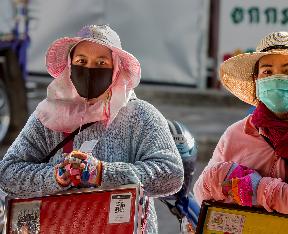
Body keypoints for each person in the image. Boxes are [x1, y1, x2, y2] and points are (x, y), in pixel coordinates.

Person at [0, 24, 184, 233]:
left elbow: (171, 174)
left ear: (116, 69)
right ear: (70, 65)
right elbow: (7, 172)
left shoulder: (140, 115)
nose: (89, 69)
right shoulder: (48, 115)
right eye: (81, 61)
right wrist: (57, 176)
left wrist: (102, 173)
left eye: (101, 63)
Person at [193, 31, 288, 219]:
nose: (277, 78)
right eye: (267, 72)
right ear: (257, 82)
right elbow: (203, 197)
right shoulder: (236, 134)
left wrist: (259, 190)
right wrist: (218, 178)